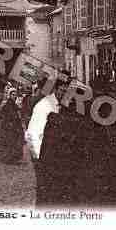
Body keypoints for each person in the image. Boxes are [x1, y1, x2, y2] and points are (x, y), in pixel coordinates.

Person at [25, 75, 70, 206]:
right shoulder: (43, 106)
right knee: (44, 190)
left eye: (66, 91)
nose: (64, 94)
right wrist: (38, 159)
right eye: (61, 90)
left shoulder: (64, 105)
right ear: (55, 89)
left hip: (55, 156)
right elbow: (32, 133)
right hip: (43, 156)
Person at [0, 88, 24, 165]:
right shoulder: (6, 104)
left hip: (14, 126)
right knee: (10, 142)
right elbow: (4, 115)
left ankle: (12, 158)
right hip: (9, 126)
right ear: (9, 95)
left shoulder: (14, 104)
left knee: (14, 142)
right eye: (13, 95)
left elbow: (17, 113)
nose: (14, 96)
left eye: (15, 95)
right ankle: (8, 158)